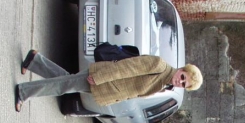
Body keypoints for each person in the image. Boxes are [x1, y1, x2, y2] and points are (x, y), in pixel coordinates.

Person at [15, 50, 203, 112]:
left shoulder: (163, 84)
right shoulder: (159, 65)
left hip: (107, 89)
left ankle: (34, 61)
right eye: (183, 77)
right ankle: (24, 92)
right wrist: (99, 77)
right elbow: (126, 67)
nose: (180, 82)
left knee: (67, 80)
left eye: (184, 85)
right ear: (182, 69)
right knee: (64, 86)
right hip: (103, 79)